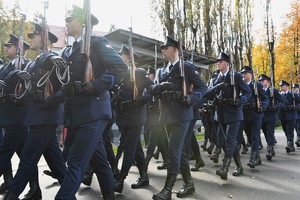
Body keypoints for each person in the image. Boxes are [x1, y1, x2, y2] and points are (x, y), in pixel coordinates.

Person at [54, 5, 128, 200]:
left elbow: (121, 68)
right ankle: (109, 195)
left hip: (94, 111)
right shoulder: (70, 51)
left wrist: (95, 85)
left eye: (70, 20)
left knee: (76, 162)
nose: (67, 23)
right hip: (78, 113)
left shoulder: (96, 43)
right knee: (100, 160)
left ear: (82, 22)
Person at [3, 25, 67, 200]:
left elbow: (65, 87)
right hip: (35, 117)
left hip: (45, 116)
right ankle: (69, 195)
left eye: (35, 36)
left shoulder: (54, 60)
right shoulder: (33, 62)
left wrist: (52, 100)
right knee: (58, 164)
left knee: (27, 159)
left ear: (45, 40)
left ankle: (12, 195)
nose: (30, 39)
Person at [151, 36, 207, 199]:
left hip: (183, 115)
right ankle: (189, 184)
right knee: (180, 152)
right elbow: (152, 90)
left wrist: (191, 99)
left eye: (165, 47)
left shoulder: (187, 67)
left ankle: (168, 189)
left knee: (173, 150)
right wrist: (158, 86)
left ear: (174, 49)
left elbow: (202, 88)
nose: (162, 50)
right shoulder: (162, 71)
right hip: (167, 116)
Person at [114, 44, 153, 193]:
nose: (119, 56)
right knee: (136, 148)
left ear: (129, 58)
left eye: (122, 54)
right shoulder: (119, 73)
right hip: (123, 117)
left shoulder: (138, 73)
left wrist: (140, 100)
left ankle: (120, 180)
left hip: (135, 117)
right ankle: (144, 177)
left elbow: (152, 90)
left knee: (129, 150)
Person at [205, 52, 251, 180]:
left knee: (230, 141)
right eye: (217, 61)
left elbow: (247, 91)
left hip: (235, 112)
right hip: (221, 114)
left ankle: (225, 167)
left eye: (221, 61)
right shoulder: (215, 79)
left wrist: (240, 100)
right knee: (226, 142)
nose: (218, 63)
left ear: (227, 63)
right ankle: (239, 166)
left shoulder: (235, 76)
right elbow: (209, 95)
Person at [0, 34, 30, 196]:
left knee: (4, 152)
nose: (6, 48)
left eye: (9, 46)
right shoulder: (6, 66)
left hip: (17, 117)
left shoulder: (26, 66)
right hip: (8, 116)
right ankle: (34, 189)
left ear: (19, 49)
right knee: (26, 156)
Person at [240, 66, 268, 168]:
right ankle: (258, 158)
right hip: (245, 114)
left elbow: (265, 98)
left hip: (256, 114)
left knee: (255, 136)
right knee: (250, 138)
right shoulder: (240, 85)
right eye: (242, 73)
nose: (243, 75)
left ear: (250, 74)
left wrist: (262, 106)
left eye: (245, 73)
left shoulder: (257, 85)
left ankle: (252, 158)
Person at [259, 74, 284, 160]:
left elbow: (282, 101)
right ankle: (271, 147)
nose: (261, 82)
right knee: (265, 132)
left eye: (263, 80)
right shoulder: (258, 90)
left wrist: (276, 106)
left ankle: (269, 149)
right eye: (260, 81)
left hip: (271, 114)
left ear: (267, 81)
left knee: (269, 132)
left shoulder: (273, 90)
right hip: (262, 115)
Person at [278, 80, 300, 153]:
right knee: (285, 131)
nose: (280, 87)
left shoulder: (293, 94)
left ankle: (289, 144)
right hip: (282, 115)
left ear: (287, 86)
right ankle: (291, 145)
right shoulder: (279, 95)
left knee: (290, 130)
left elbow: (299, 103)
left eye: (282, 86)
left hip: (291, 115)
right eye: (280, 86)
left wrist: (295, 107)